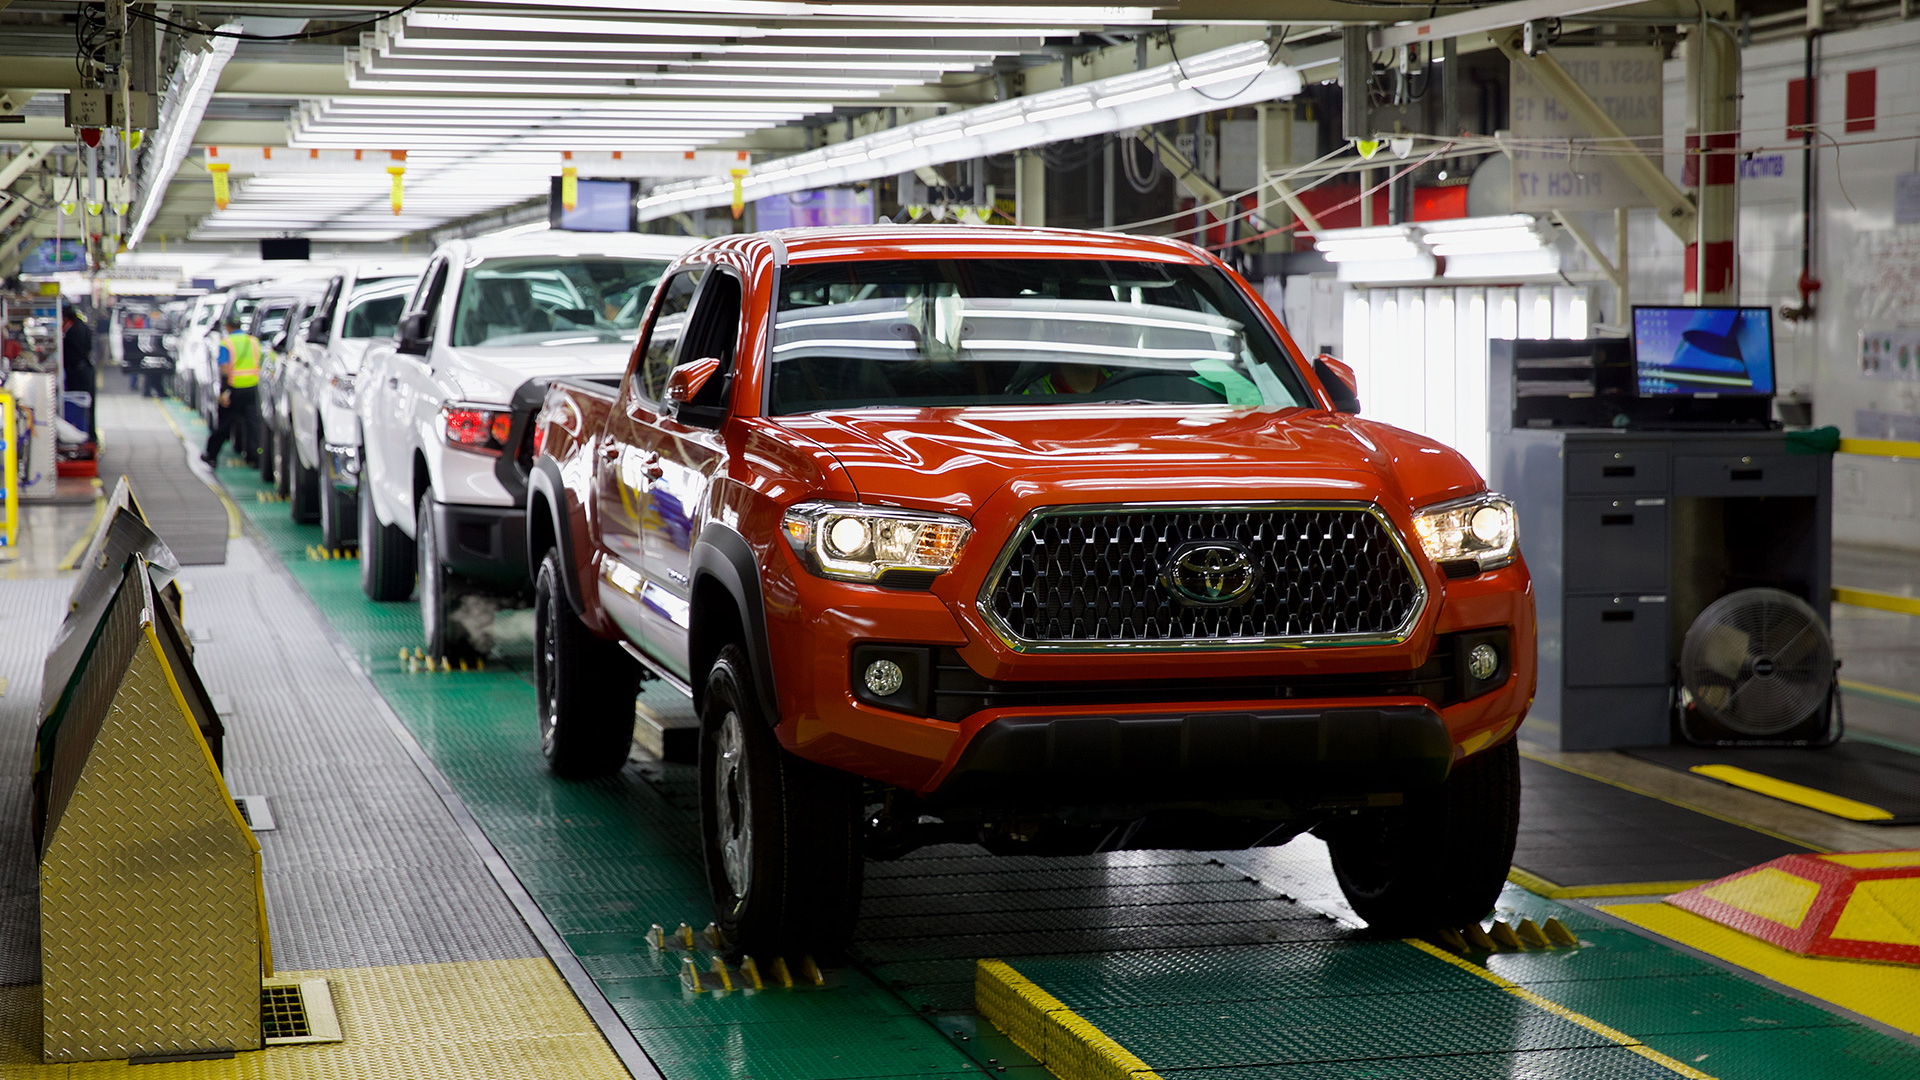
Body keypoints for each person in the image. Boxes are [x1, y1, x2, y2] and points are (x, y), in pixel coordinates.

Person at [202, 315, 262, 467]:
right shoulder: (253, 341)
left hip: (234, 389)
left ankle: (211, 454)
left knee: (224, 424)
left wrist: (224, 392)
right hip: (252, 388)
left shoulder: (226, 343)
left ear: (228, 327)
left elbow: (224, 369)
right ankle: (254, 458)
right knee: (252, 424)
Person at [60, 304, 95, 439]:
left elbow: (71, 352)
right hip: (83, 370)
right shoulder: (80, 326)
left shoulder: (74, 330)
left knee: (83, 407)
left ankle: (84, 434)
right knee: (88, 407)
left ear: (66, 317)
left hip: (79, 372)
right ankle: (89, 434)